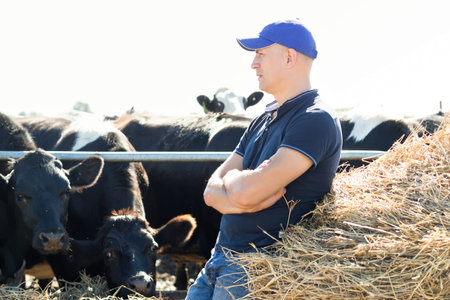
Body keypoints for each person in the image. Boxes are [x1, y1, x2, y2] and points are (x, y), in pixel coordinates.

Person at [186, 19, 342, 300]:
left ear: (289, 57)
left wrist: (235, 183)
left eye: (261, 54)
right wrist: (243, 190)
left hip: (258, 267)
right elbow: (210, 192)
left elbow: (246, 192)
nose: (253, 64)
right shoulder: (261, 119)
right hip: (219, 258)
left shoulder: (315, 119)